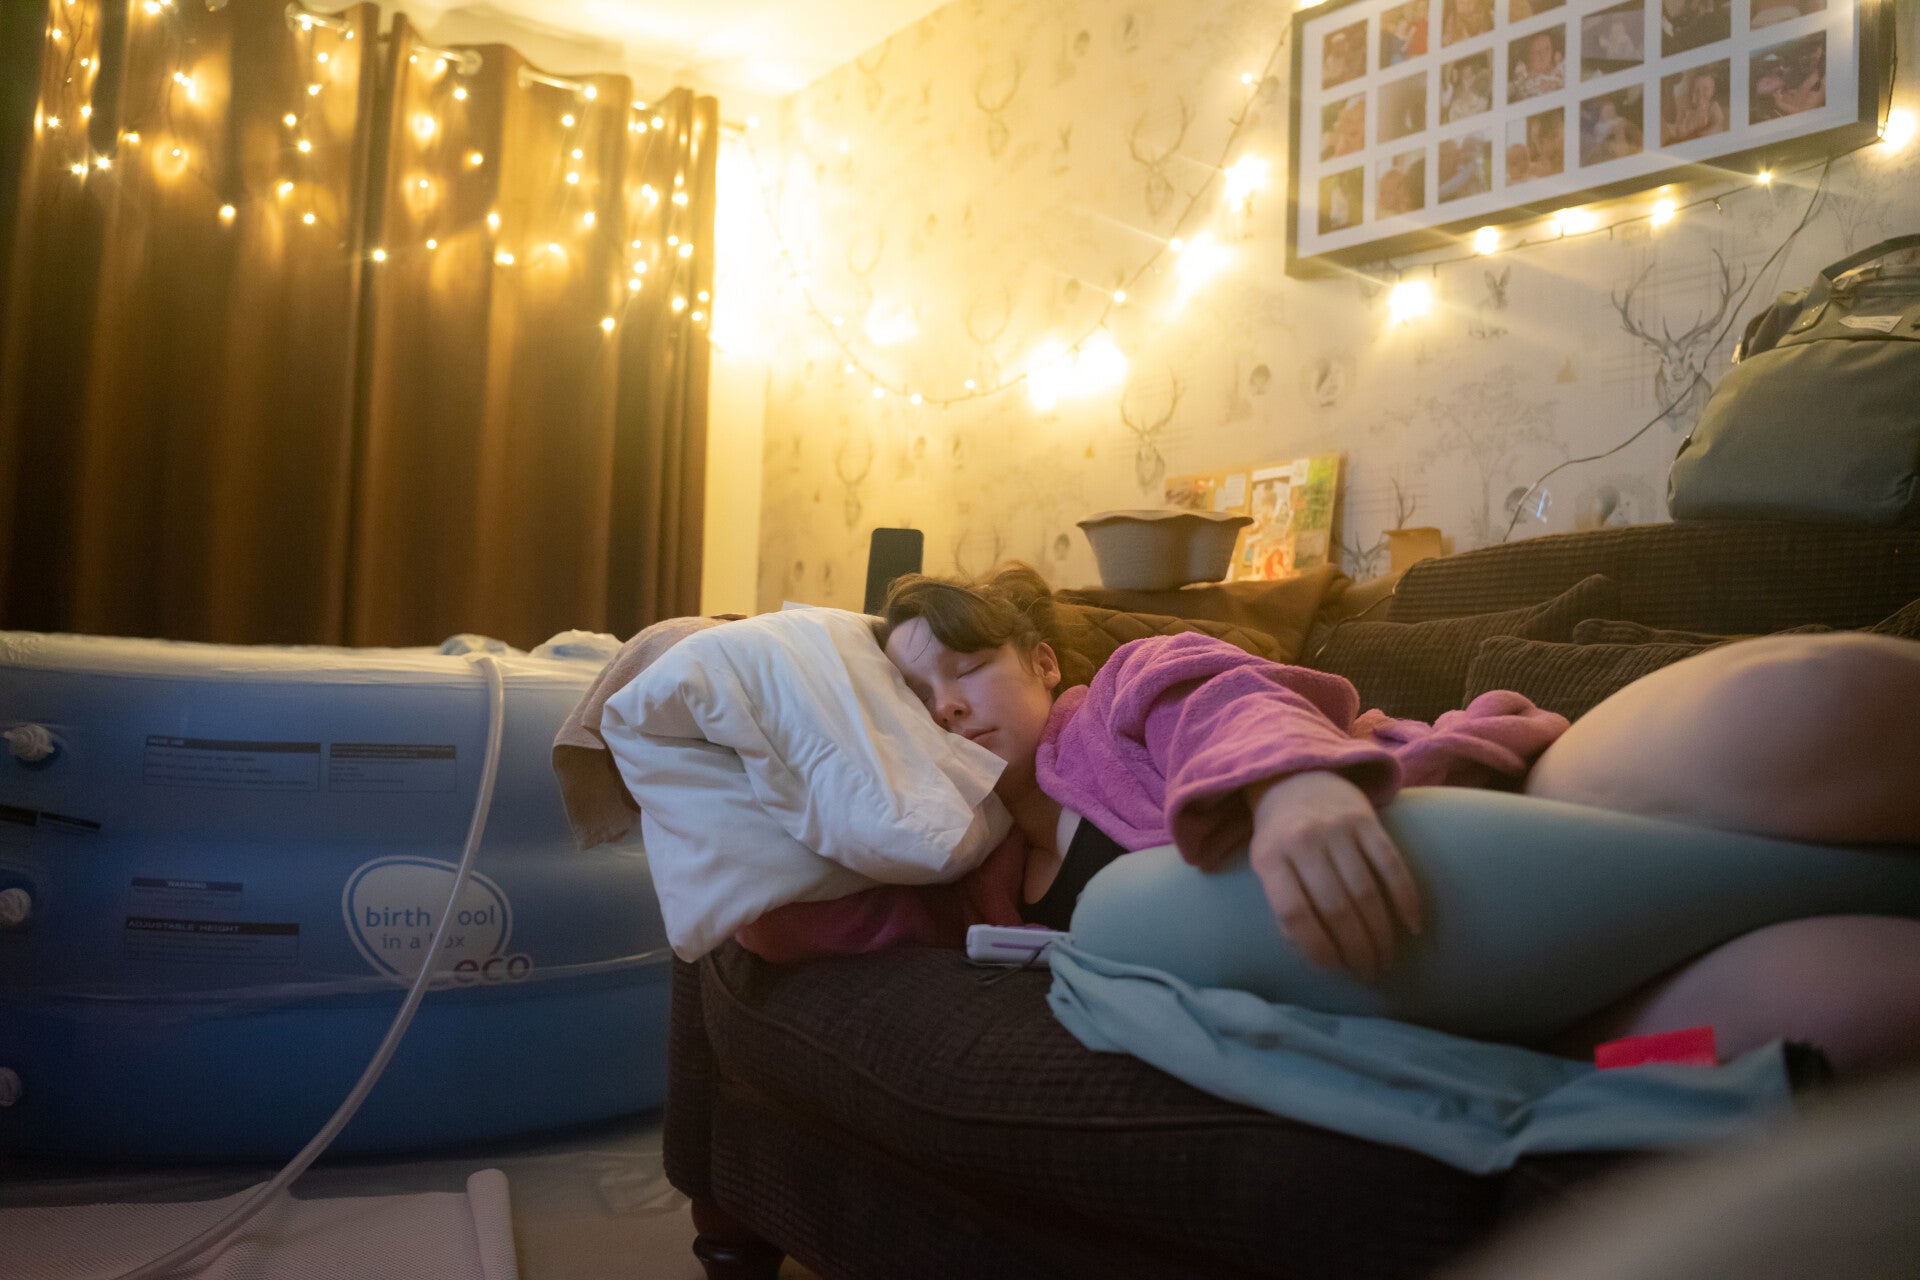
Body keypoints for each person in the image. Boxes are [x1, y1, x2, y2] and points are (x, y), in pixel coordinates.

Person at [742, 564, 1920, 1077]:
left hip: (1488, 803)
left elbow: (1224, 696)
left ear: (1043, 661)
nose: (946, 701)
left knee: (1816, 703)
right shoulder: (971, 876)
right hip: (1535, 1021)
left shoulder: (1122, 697)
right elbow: (777, 924)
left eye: (969, 665)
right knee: (1860, 1013)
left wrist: (1296, 782)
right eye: (910, 696)